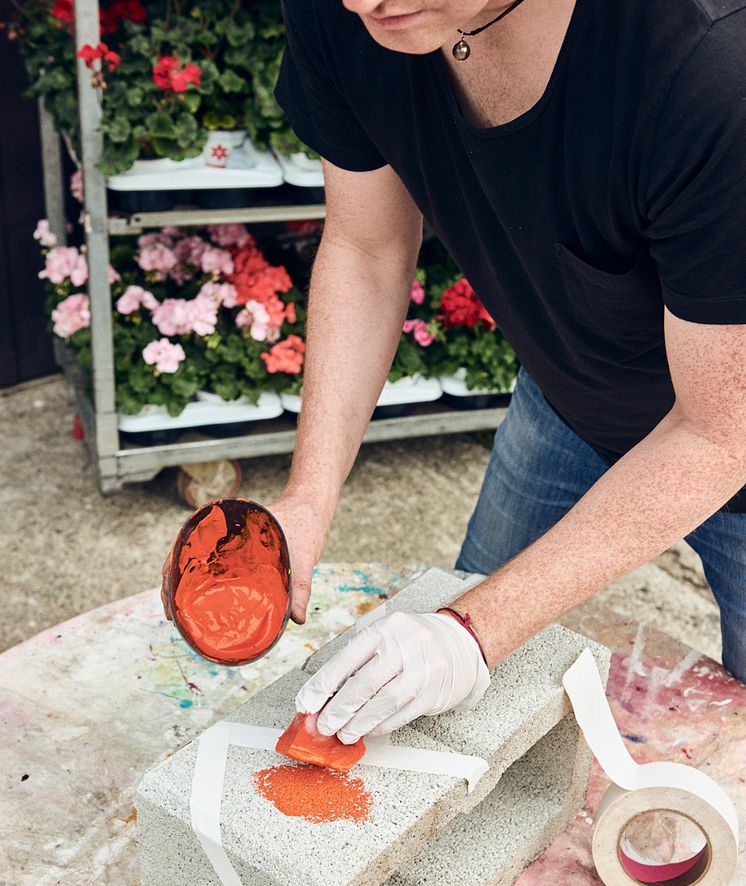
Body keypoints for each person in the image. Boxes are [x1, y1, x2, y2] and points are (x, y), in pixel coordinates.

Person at [170, 0, 746, 742]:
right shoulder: (351, 12)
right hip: (569, 401)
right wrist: (307, 501)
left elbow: (717, 434)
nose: (364, 1)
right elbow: (367, 248)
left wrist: (471, 631)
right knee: (448, 715)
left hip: (727, 424)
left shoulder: (707, 68)